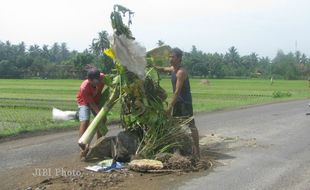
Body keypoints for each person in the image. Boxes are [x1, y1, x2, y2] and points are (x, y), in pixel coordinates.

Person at [157, 47, 200, 158]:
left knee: (191, 125)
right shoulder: (173, 69)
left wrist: (169, 107)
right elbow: (163, 69)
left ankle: (197, 150)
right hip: (177, 102)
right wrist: (151, 66)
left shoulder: (181, 72)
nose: (170, 59)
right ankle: (178, 150)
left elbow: (177, 92)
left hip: (184, 102)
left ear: (179, 58)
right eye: (170, 57)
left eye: (173, 57)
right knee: (175, 125)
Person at [76, 68, 105, 140]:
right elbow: (91, 103)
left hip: (96, 100)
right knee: (85, 121)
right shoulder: (84, 88)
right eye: (93, 81)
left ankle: (99, 142)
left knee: (102, 119)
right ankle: (82, 143)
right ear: (88, 79)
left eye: (97, 80)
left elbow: (111, 82)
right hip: (84, 102)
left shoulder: (103, 77)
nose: (96, 82)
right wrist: (99, 113)